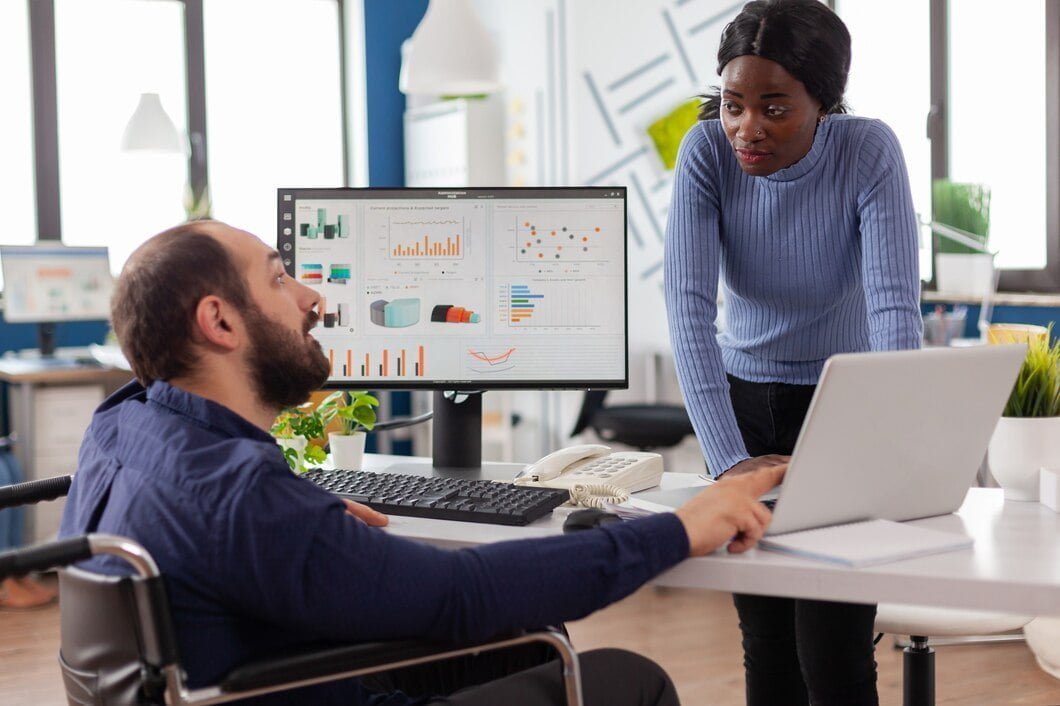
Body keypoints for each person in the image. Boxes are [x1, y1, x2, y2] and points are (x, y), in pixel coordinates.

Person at [60, 220, 785, 706]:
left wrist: (299, 521)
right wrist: (679, 529)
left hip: (254, 669)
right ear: (219, 322)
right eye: (280, 280)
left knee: (517, 642)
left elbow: (217, 534)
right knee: (628, 680)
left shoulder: (124, 421)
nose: (313, 298)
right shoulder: (241, 498)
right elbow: (458, 593)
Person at [663, 1, 922, 705]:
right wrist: (727, 463)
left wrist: (899, 453)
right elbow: (687, 308)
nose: (748, 128)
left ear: (823, 101)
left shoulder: (867, 150)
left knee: (834, 646)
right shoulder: (705, 153)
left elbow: (895, 306)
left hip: (844, 406)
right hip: (744, 406)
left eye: (774, 107)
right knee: (766, 639)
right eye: (733, 104)